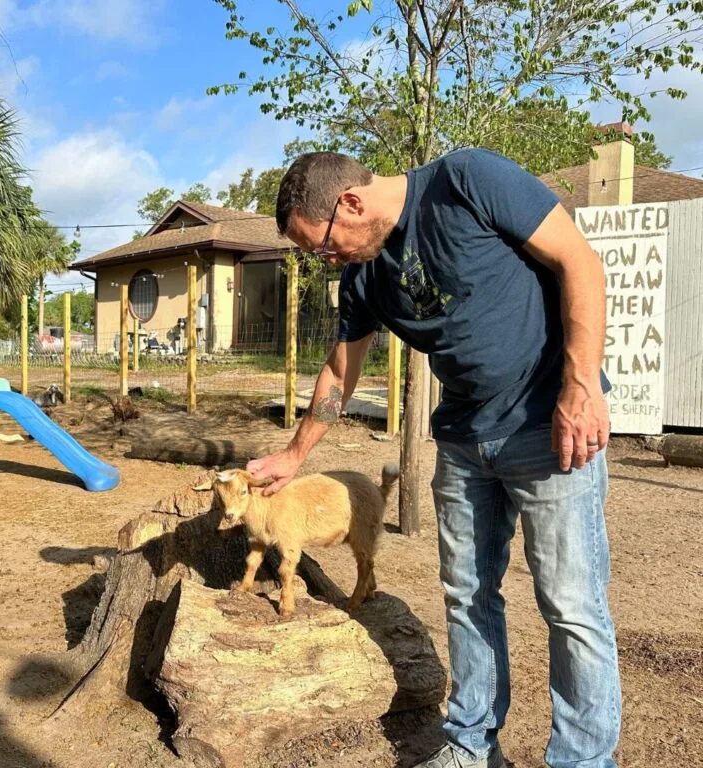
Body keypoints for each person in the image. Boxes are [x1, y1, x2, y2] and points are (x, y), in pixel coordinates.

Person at [248, 150, 619, 768]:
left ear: (350, 203)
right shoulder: (362, 277)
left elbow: (579, 262)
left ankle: (582, 760)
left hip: (547, 424)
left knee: (571, 604)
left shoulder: (468, 181)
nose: (327, 261)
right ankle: (472, 746)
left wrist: (581, 388)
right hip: (465, 439)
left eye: (324, 247)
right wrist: (294, 453)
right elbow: (340, 371)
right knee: (467, 594)